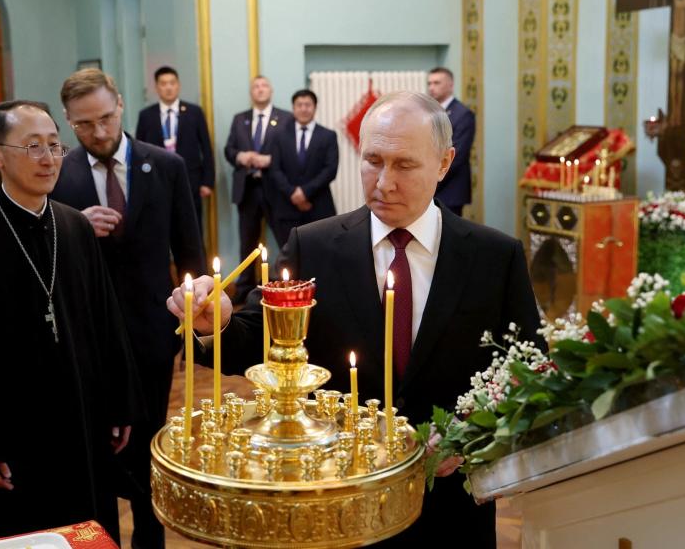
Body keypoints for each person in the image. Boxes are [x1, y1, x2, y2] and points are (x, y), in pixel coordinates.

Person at [168, 91, 544, 547]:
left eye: (404, 165)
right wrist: (219, 322)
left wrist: (474, 439)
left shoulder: (495, 257)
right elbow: (262, 343)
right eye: (372, 160)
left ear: (444, 164)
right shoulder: (314, 245)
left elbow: (528, 375)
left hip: (450, 504)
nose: (383, 182)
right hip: (338, 501)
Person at [0, 100, 143, 546]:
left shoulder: (75, 227)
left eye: (55, 147)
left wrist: (119, 402)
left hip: (80, 425)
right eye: (32, 146)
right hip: (10, 439)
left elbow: (106, 322)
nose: (47, 159)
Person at [52, 68, 205, 549]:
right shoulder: (58, 173)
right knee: (91, 450)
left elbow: (191, 254)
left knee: (145, 447)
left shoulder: (166, 166)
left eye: (104, 118)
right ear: (69, 123)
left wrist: (194, 315)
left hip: (150, 333)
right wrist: (73, 224)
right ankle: (95, 538)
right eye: (83, 125)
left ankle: (149, 535)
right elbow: (37, 253)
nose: (98, 132)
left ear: (119, 104)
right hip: (84, 337)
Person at [223, 75, 292, 302]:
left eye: (264, 86)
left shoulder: (285, 118)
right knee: (247, 242)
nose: (260, 90)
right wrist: (240, 156)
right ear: (251, 92)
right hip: (248, 189)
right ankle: (244, 289)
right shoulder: (239, 119)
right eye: (256, 86)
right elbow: (229, 150)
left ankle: (287, 282)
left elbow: (287, 152)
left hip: (275, 188)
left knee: (285, 239)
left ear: (270, 90)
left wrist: (269, 160)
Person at [135, 65, 214, 235]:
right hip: (156, 180)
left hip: (190, 180)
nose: (168, 87)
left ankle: (196, 262)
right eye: (163, 84)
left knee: (192, 229)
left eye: (172, 83)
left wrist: (208, 181)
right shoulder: (146, 115)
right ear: (157, 87)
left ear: (178, 85)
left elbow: (206, 148)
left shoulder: (194, 112)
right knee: (159, 230)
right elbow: (139, 151)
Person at [267, 89, 339, 246]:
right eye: (299, 105)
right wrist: (293, 193)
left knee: (320, 255)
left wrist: (305, 192)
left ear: (315, 107)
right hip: (287, 207)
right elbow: (275, 169)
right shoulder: (279, 136)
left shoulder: (328, 135)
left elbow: (330, 170)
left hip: (319, 206)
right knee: (290, 258)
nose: (304, 108)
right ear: (293, 108)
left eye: (308, 105)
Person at [426, 67, 475, 216]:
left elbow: (457, 156)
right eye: (429, 83)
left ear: (450, 85)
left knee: (447, 236)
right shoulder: (428, 112)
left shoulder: (463, 114)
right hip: (430, 186)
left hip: (450, 189)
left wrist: (430, 179)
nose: (431, 87)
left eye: (436, 83)